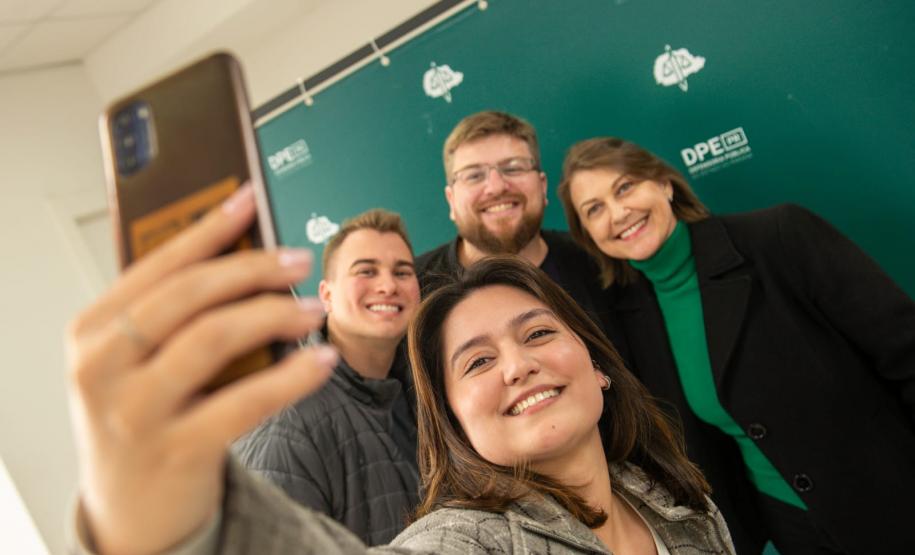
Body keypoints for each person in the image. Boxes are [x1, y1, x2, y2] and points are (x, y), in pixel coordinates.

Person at [67, 187, 734, 554]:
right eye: (477, 360)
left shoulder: (681, 503)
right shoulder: (468, 542)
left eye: (537, 333)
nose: (518, 365)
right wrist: (165, 524)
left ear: (599, 366)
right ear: (455, 421)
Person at [557, 137, 915, 555]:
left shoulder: (779, 236)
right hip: (793, 529)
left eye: (625, 187)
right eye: (594, 209)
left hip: (893, 496)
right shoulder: (631, 316)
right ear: (588, 235)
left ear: (665, 184)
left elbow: (905, 350)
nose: (618, 213)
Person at [232, 209, 421, 545]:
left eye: (402, 272)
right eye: (366, 271)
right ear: (326, 295)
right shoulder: (288, 421)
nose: (388, 285)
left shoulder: (421, 394)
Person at [416, 112, 614, 335]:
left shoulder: (601, 263)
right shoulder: (413, 290)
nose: (496, 187)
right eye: (473, 176)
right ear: (451, 200)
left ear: (543, 187)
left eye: (513, 168)